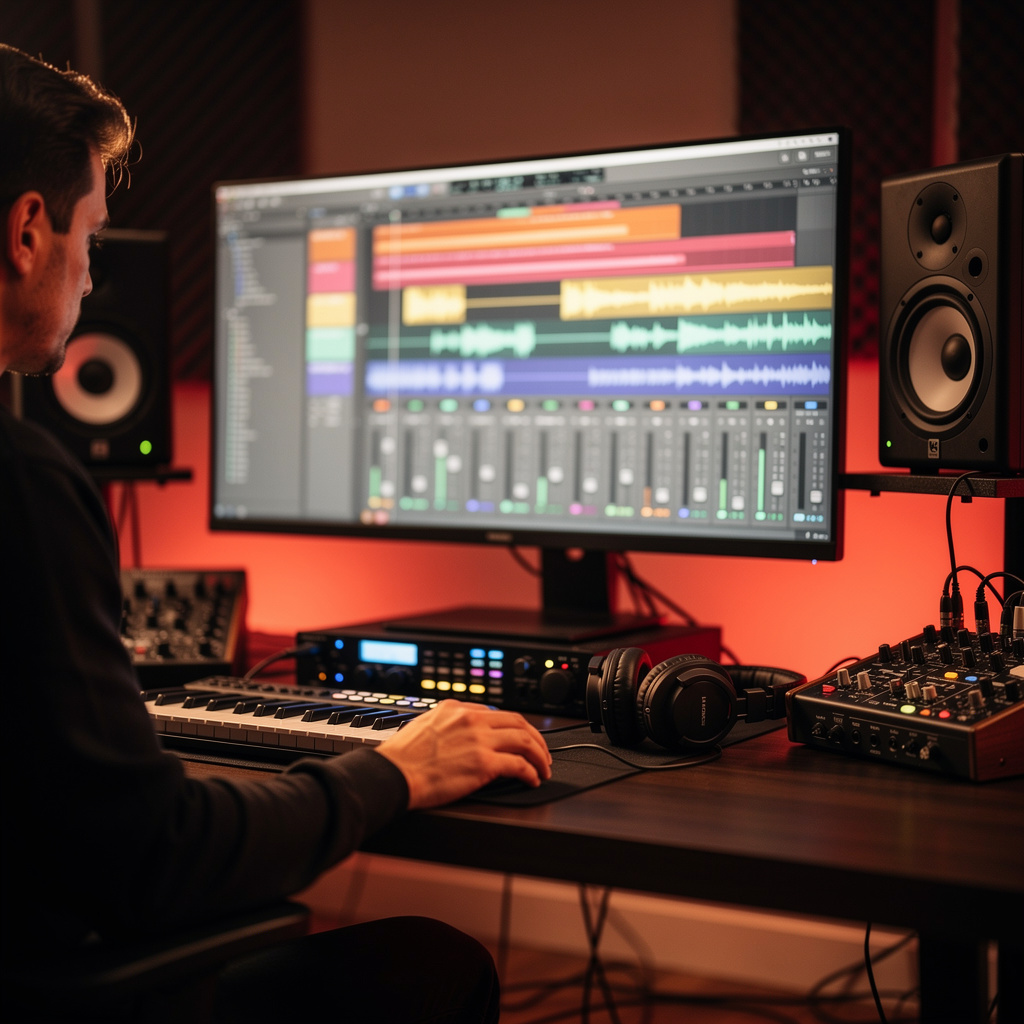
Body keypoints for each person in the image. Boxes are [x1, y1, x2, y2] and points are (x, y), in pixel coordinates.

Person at [0, 42, 552, 1023]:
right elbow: (153, 858)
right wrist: (392, 770)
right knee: (435, 965)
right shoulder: (24, 480)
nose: (89, 276)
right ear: (28, 232)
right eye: (93, 234)